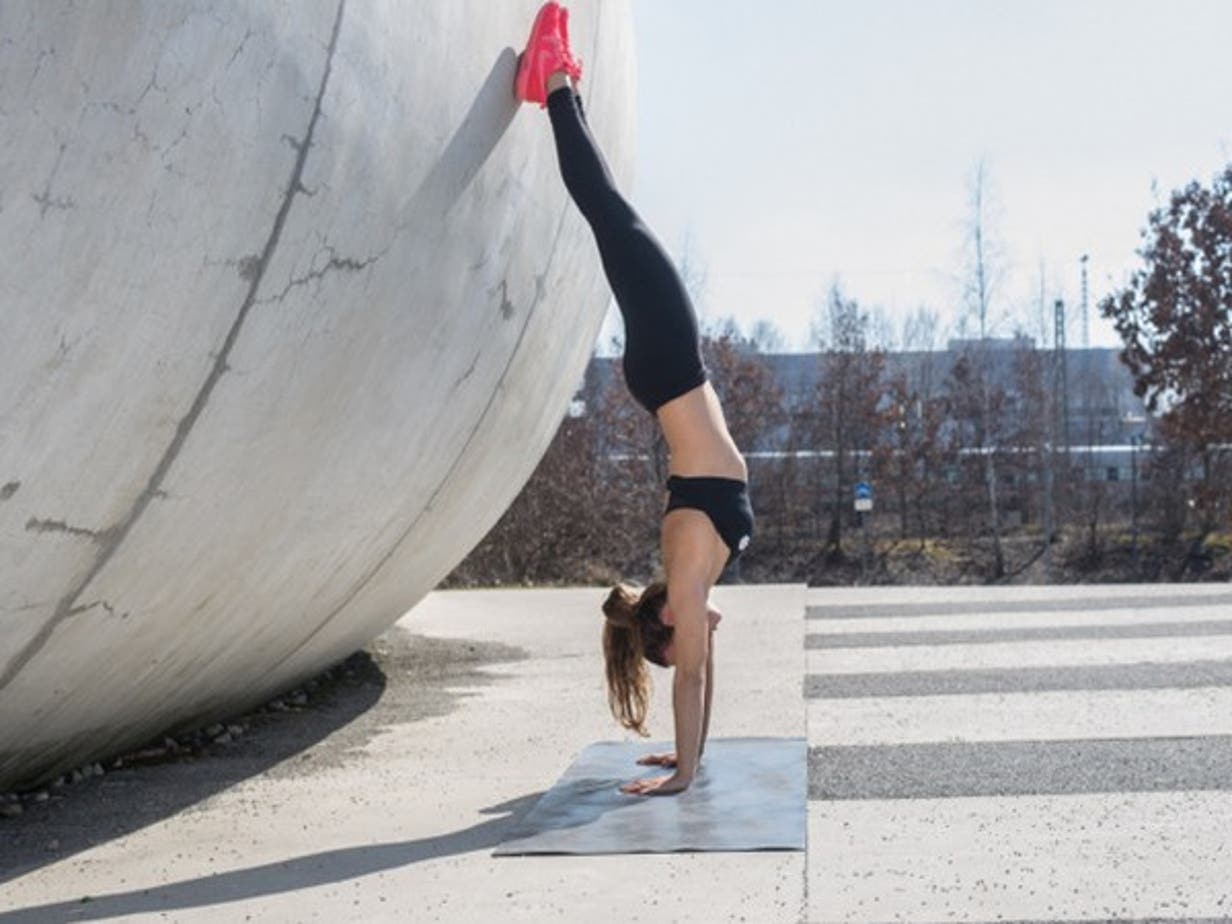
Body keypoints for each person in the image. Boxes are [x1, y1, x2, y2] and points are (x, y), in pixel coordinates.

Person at [514, 3, 754, 797]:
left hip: (669, 361)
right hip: (667, 369)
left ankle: (555, 79)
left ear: (665, 624)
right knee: (611, 217)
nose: (699, 648)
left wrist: (680, 777)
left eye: (678, 644)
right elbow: (703, 679)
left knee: (607, 212)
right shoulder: (697, 588)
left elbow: (688, 684)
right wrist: (692, 761)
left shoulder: (688, 576)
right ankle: (554, 86)